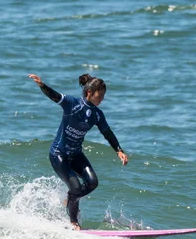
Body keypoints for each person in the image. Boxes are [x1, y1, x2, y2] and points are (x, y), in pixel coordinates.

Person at [28, 73, 128, 230]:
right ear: (89, 93)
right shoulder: (72, 104)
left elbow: (107, 132)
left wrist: (119, 151)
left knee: (92, 182)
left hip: (75, 155)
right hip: (59, 155)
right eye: (99, 95)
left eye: (103, 96)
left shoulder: (97, 114)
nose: (102, 99)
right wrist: (42, 85)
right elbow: (54, 96)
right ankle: (74, 222)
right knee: (75, 188)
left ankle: (70, 200)